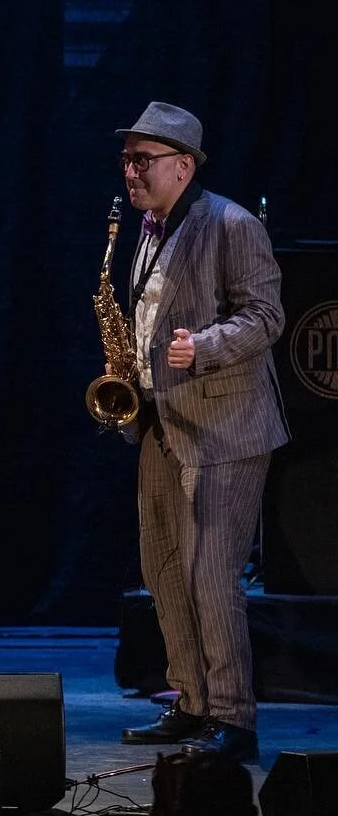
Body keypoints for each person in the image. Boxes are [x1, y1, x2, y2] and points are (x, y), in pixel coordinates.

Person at [113, 102, 288, 761]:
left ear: (183, 166)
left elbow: (266, 317)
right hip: (161, 420)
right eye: (126, 159)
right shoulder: (148, 228)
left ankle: (234, 721)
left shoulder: (232, 224)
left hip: (224, 425)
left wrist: (204, 345)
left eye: (142, 160)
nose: (129, 171)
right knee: (163, 570)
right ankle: (190, 703)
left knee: (212, 576)